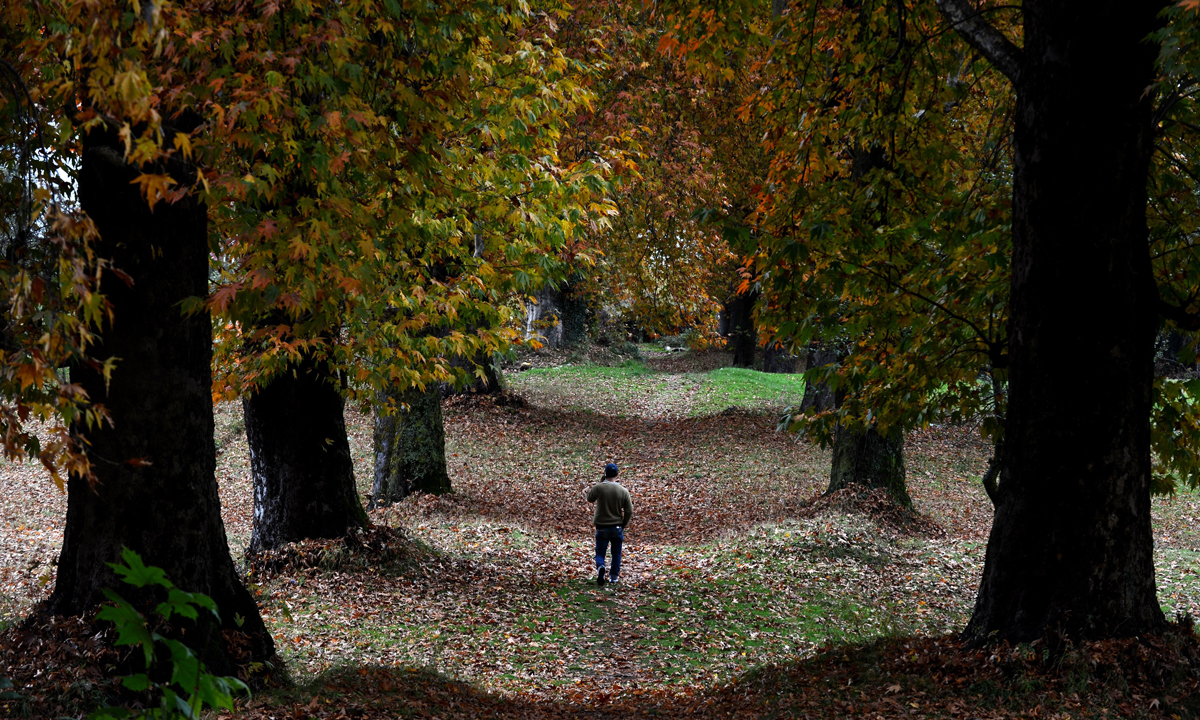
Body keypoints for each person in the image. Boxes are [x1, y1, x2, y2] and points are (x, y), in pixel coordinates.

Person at [587, 462, 633, 587]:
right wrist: (623, 524)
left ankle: (601, 567)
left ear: (604, 474)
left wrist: (600, 482)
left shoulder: (599, 487)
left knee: (600, 552)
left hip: (602, 526)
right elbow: (629, 510)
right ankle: (613, 577)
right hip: (617, 526)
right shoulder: (623, 491)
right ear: (617, 474)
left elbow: (589, 498)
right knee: (616, 553)